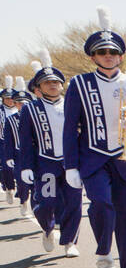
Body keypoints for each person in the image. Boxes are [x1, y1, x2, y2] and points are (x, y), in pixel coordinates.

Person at [63, 7, 126, 268]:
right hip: (92, 159)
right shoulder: (79, 84)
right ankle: (105, 256)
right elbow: (70, 127)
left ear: (120, 56)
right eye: (102, 52)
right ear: (93, 56)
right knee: (103, 206)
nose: (108, 56)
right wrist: (70, 165)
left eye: (113, 52)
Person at [18, 53, 81, 255]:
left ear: (62, 85)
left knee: (73, 203)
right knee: (46, 203)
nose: (52, 85)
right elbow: (26, 141)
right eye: (47, 82)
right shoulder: (30, 109)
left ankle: (70, 241)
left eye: (56, 81)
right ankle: (47, 228)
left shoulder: (73, 104)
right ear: (39, 87)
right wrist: (25, 166)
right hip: (45, 164)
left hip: (72, 163)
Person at [2, 77, 33, 218]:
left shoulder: (35, 116)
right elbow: (8, 140)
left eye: (24, 103)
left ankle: (37, 206)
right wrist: (9, 157)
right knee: (21, 182)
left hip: (35, 154)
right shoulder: (11, 119)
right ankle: (23, 201)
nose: (22, 105)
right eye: (19, 103)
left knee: (36, 184)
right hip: (18, 153)